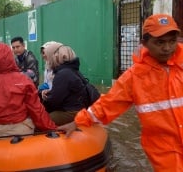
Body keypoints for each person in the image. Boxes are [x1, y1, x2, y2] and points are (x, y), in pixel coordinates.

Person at [57, 14, 183, 171]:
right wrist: (79, 121)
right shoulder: (134, 77)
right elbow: (109, 103)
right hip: (164, 150)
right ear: (145, 43)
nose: (167, 48)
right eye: (160, 42)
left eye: (172, 41)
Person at [40, 42, 89, 125]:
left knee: (42, 120)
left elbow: (54, 101)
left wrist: (44, 98)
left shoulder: (62, 74)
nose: (48, 60)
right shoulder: (72, 70)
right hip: (77, 107)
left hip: (72, 111)